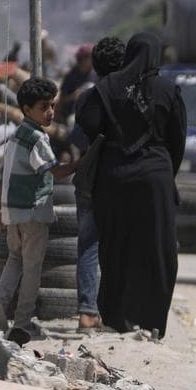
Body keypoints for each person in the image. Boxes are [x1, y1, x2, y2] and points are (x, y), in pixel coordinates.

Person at [77, 32, 187, 337]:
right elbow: (178, 139)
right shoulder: (167, 89)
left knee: (115, 248)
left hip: (114, 179)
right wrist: (164, 173)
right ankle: (152, 322)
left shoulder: (107, 88)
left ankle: (115, 318)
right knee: (158, 251)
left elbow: (88, 125)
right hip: (156, 178)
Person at [0, 77, 74, 346]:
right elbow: (55, 171)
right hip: (34, 214)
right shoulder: (37, 138)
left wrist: (0, 210)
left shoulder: (15, 136)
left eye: (52, 106)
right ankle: (23, 324)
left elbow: (7, 176)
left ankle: (0, 303)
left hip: (13, 214)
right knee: (32, 268)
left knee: (14, 260)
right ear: (26, 109)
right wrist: (84, 162)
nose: (50, 112)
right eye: (43, 106)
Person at [66, 36, 126, 331]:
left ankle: (88, 312)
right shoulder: (129, 97)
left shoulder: (88, 97)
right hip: (121, 181)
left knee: (88, 246)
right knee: (118, 247)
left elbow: (76, 138)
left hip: (90, 179)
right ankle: (114, 312)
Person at [58, 44, 95, 123]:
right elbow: (61, 100)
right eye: (91, 57)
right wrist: (73, 96)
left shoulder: (94, 74)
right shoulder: (71, 77)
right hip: (72, 114)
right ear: (83, 59)